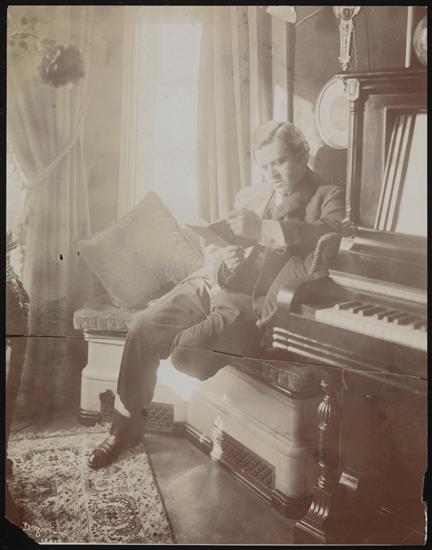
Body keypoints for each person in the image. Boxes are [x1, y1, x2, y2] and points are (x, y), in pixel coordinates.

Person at [87, 120, 345, 469]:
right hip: (214, 286)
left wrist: (264, 229)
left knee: (185, 354)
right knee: (142, 328)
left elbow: (329, 235)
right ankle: (124, 430)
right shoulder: (253, 195)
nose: (271, 174)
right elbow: (221, 251)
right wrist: (227, 261)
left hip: (249, 306)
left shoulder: (328, 195)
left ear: (302, 154)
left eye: (280, 162)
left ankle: (181, 350)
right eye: (264, 165)